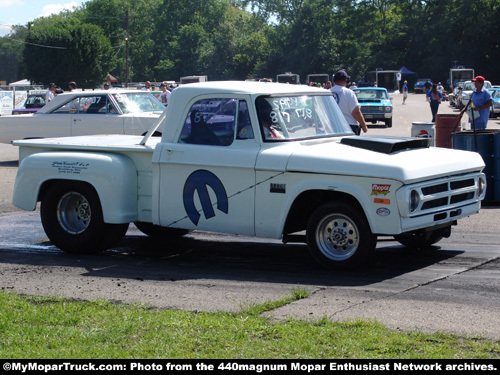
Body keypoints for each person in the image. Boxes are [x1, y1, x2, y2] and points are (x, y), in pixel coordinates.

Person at [330, 69, 368, 135]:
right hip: (349, 126)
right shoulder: (349, 93)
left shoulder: (327, 92)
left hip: (332, 126)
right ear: (346, 80)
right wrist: (364, 126)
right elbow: (355, 112)